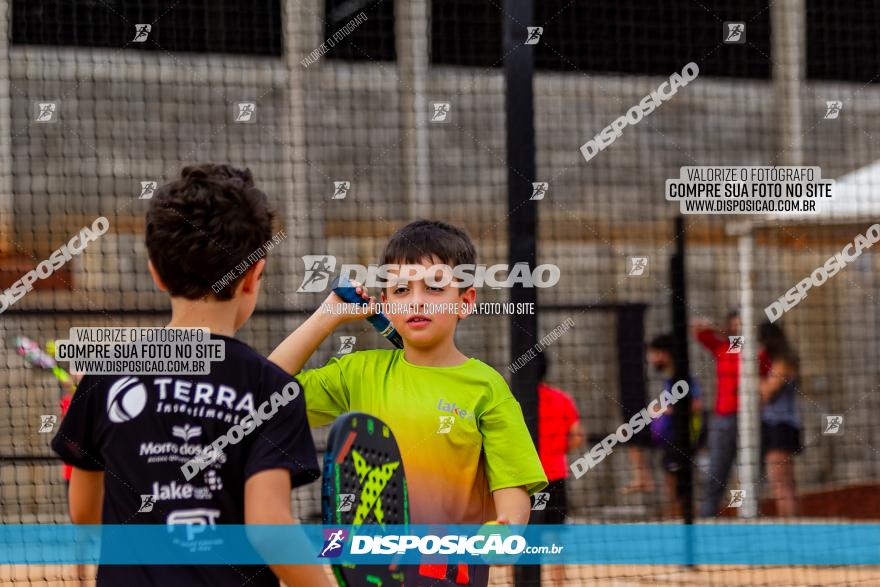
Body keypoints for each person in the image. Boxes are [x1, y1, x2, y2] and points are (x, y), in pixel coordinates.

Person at [52, 164, 330, 586]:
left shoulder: (106, 376)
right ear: (254, 275)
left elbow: (85, 515)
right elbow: (270, 528)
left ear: (156, 272)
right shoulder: (271, 389)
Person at [269, 219, 548, 587]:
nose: (416, 300)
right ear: (385, 302)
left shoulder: (486, 388)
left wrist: (506, 530)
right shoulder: (357, 373)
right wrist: (326, 317)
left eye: (434, 287)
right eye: (401, 290)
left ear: (465, 302)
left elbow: (512, 485)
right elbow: (267, 394)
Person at [533, 351, 583, 582]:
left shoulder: (514, 401)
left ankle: (526, 580)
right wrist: (554, 450)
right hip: (555, 477)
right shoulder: (561, 398)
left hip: (527, 480)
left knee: (527, 534)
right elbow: (577, 438)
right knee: (555, 535)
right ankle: (558, 582)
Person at [645, 334, 703, 517]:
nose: (651, 359)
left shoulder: (682, 378)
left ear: (664, 354)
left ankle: (682, 521)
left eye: (654, 354)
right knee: (673, 485)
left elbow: (696, 404)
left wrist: (663, 409)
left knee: (678, 487)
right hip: (671, 440)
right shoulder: (670, 379)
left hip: (681, 440)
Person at [693, 310, 741, 518]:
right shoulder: (723, 348)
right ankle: (707, 516)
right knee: (717, 469)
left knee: (751, 472)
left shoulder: (758, 353)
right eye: (735, 325)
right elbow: (698, 329)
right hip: (724, 417)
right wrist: (721, 328)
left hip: (751, 420)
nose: (739, 328)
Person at [758, 321, 801, 517]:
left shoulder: (783, 362)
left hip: (781, 426)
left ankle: (789, 528)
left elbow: (767, 392)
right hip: (774, 425)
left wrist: (752, 375)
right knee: (782, 483)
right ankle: (790, 527)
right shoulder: (776, 361)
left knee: (781, 483)